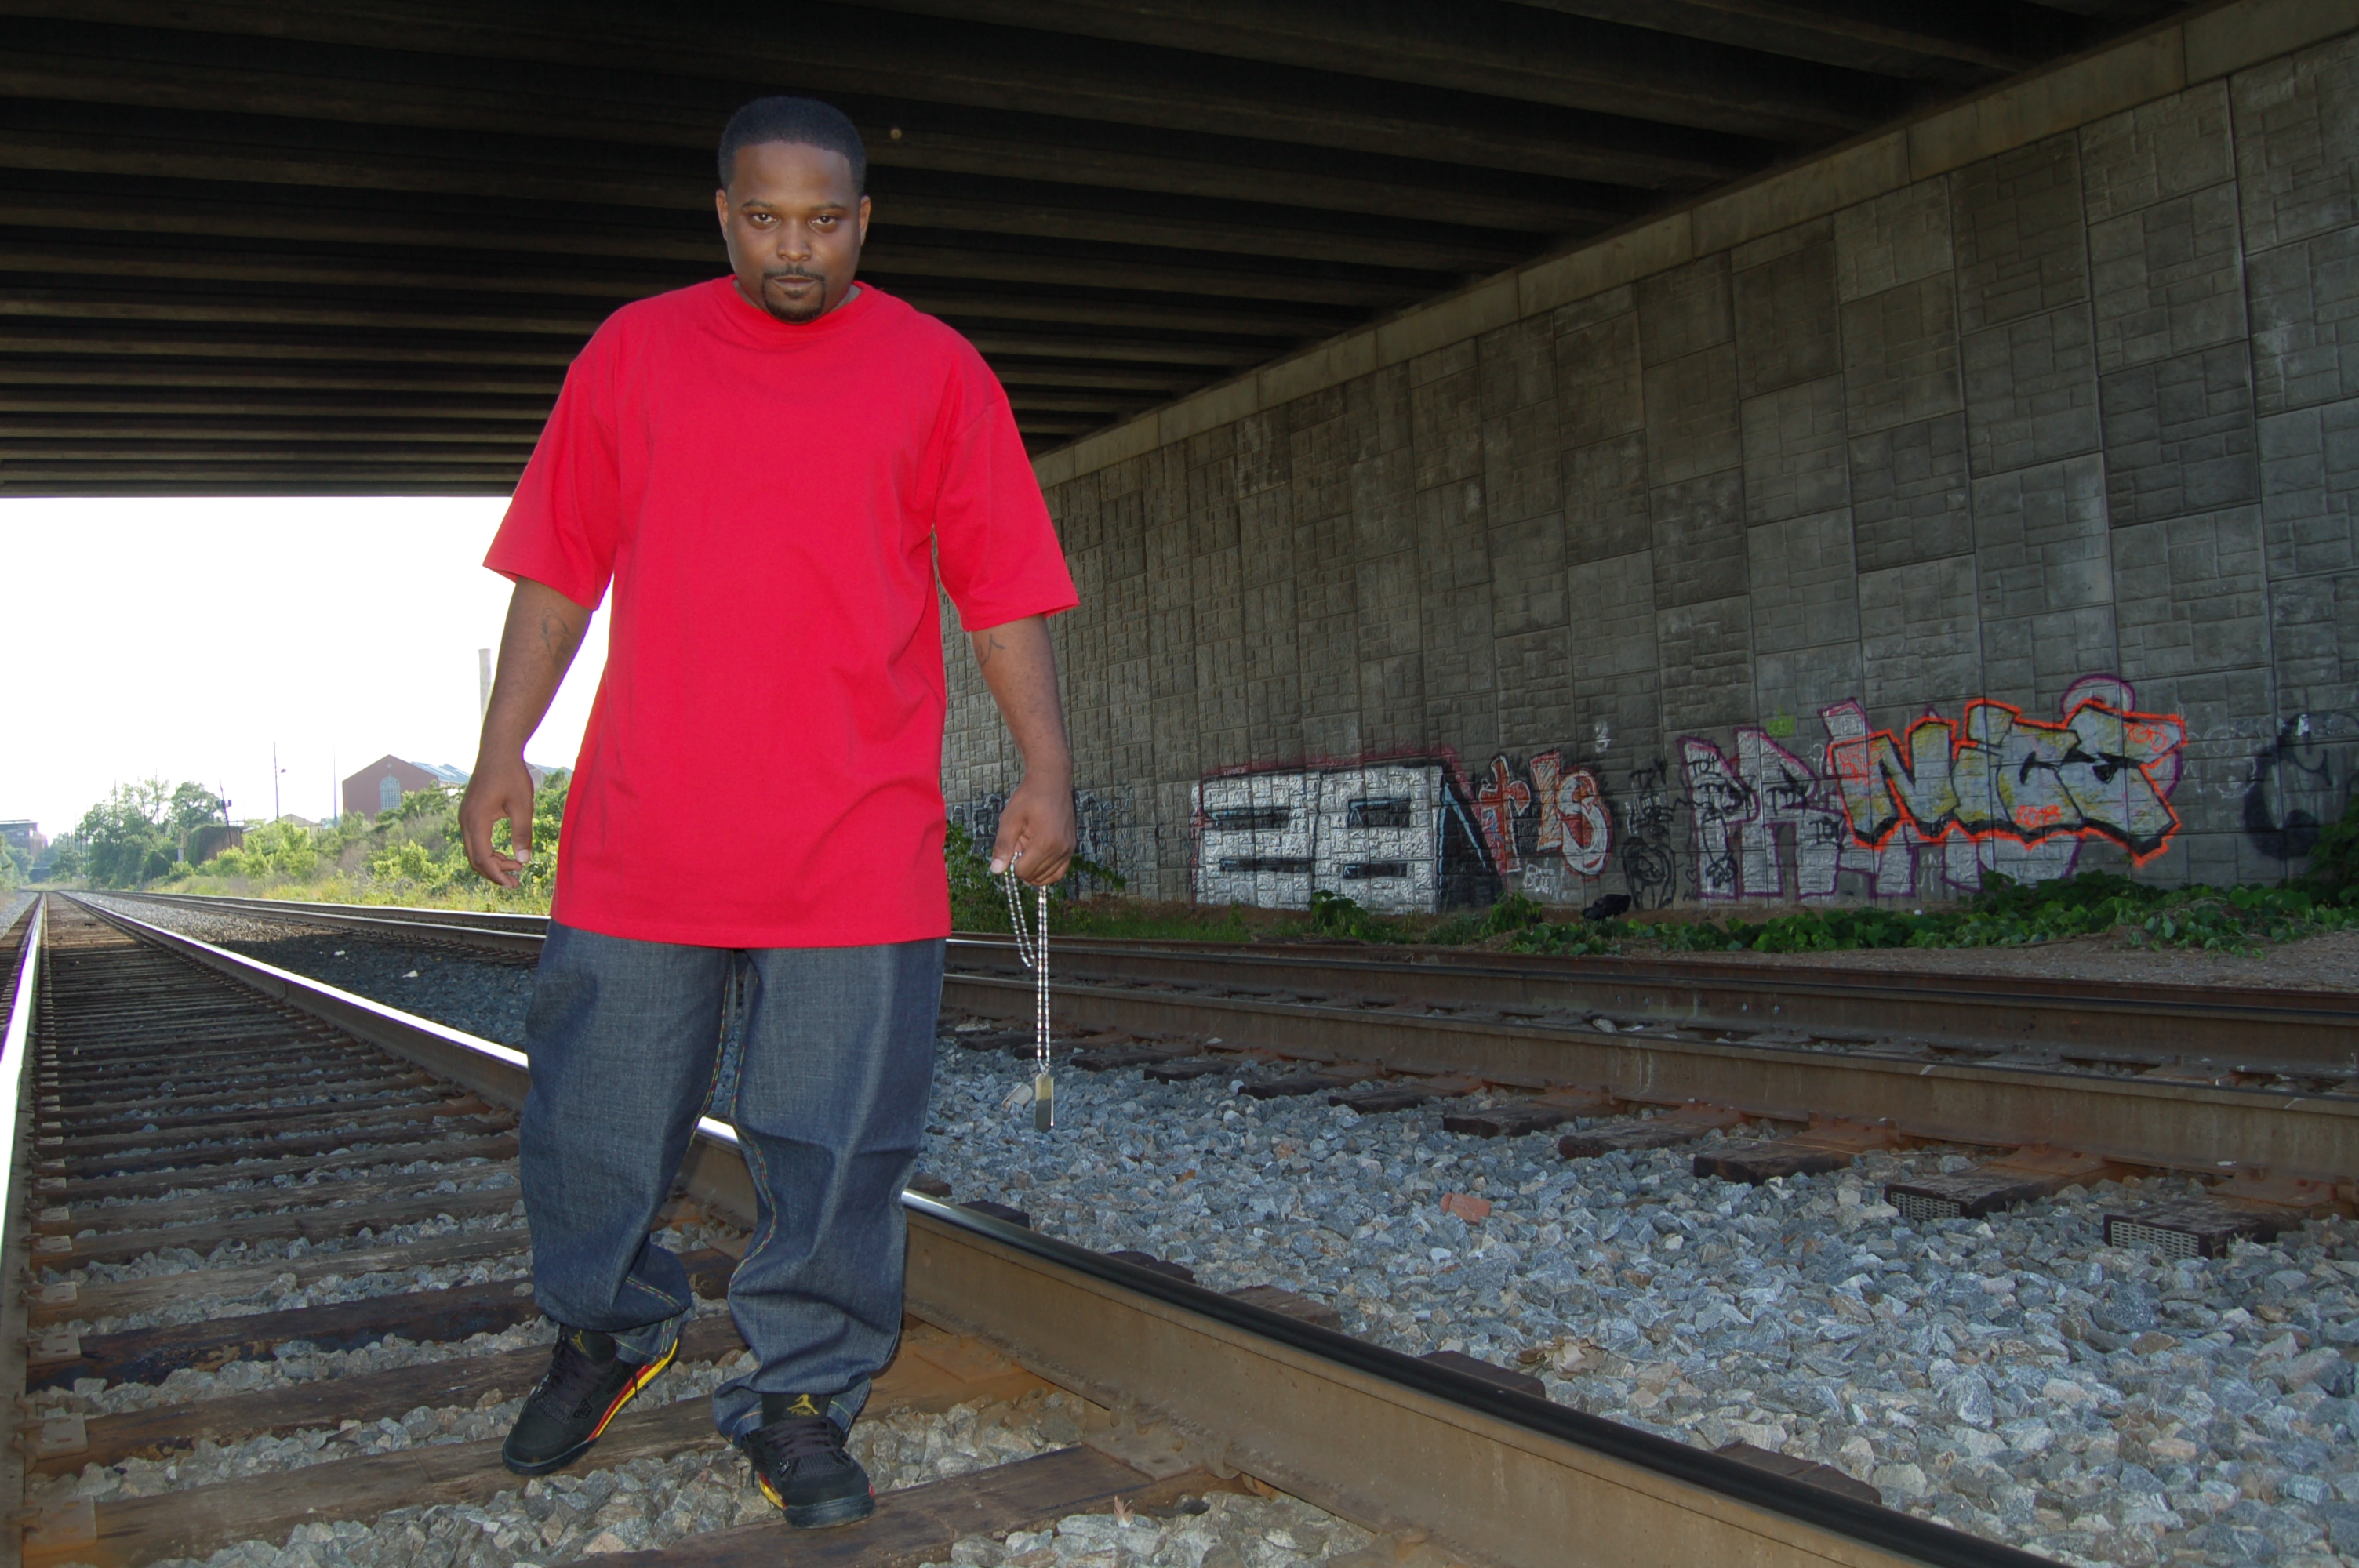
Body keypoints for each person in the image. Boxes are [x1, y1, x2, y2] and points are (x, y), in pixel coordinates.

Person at [457, 94, 1078, 1530]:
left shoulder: (937, 371)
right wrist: (502, 751)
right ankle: (609, 1332)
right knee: (594, 1124)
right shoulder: (633, 353)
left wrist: (1047, 770)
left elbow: (1003, 593)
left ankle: (801, 1394)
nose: (794, 247)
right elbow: (557, 574)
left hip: (855, 844)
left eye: (823, 220)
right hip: (646, 833)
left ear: (864, 218)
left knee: (837, 1144)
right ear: (722, 213)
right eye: (763, 218)